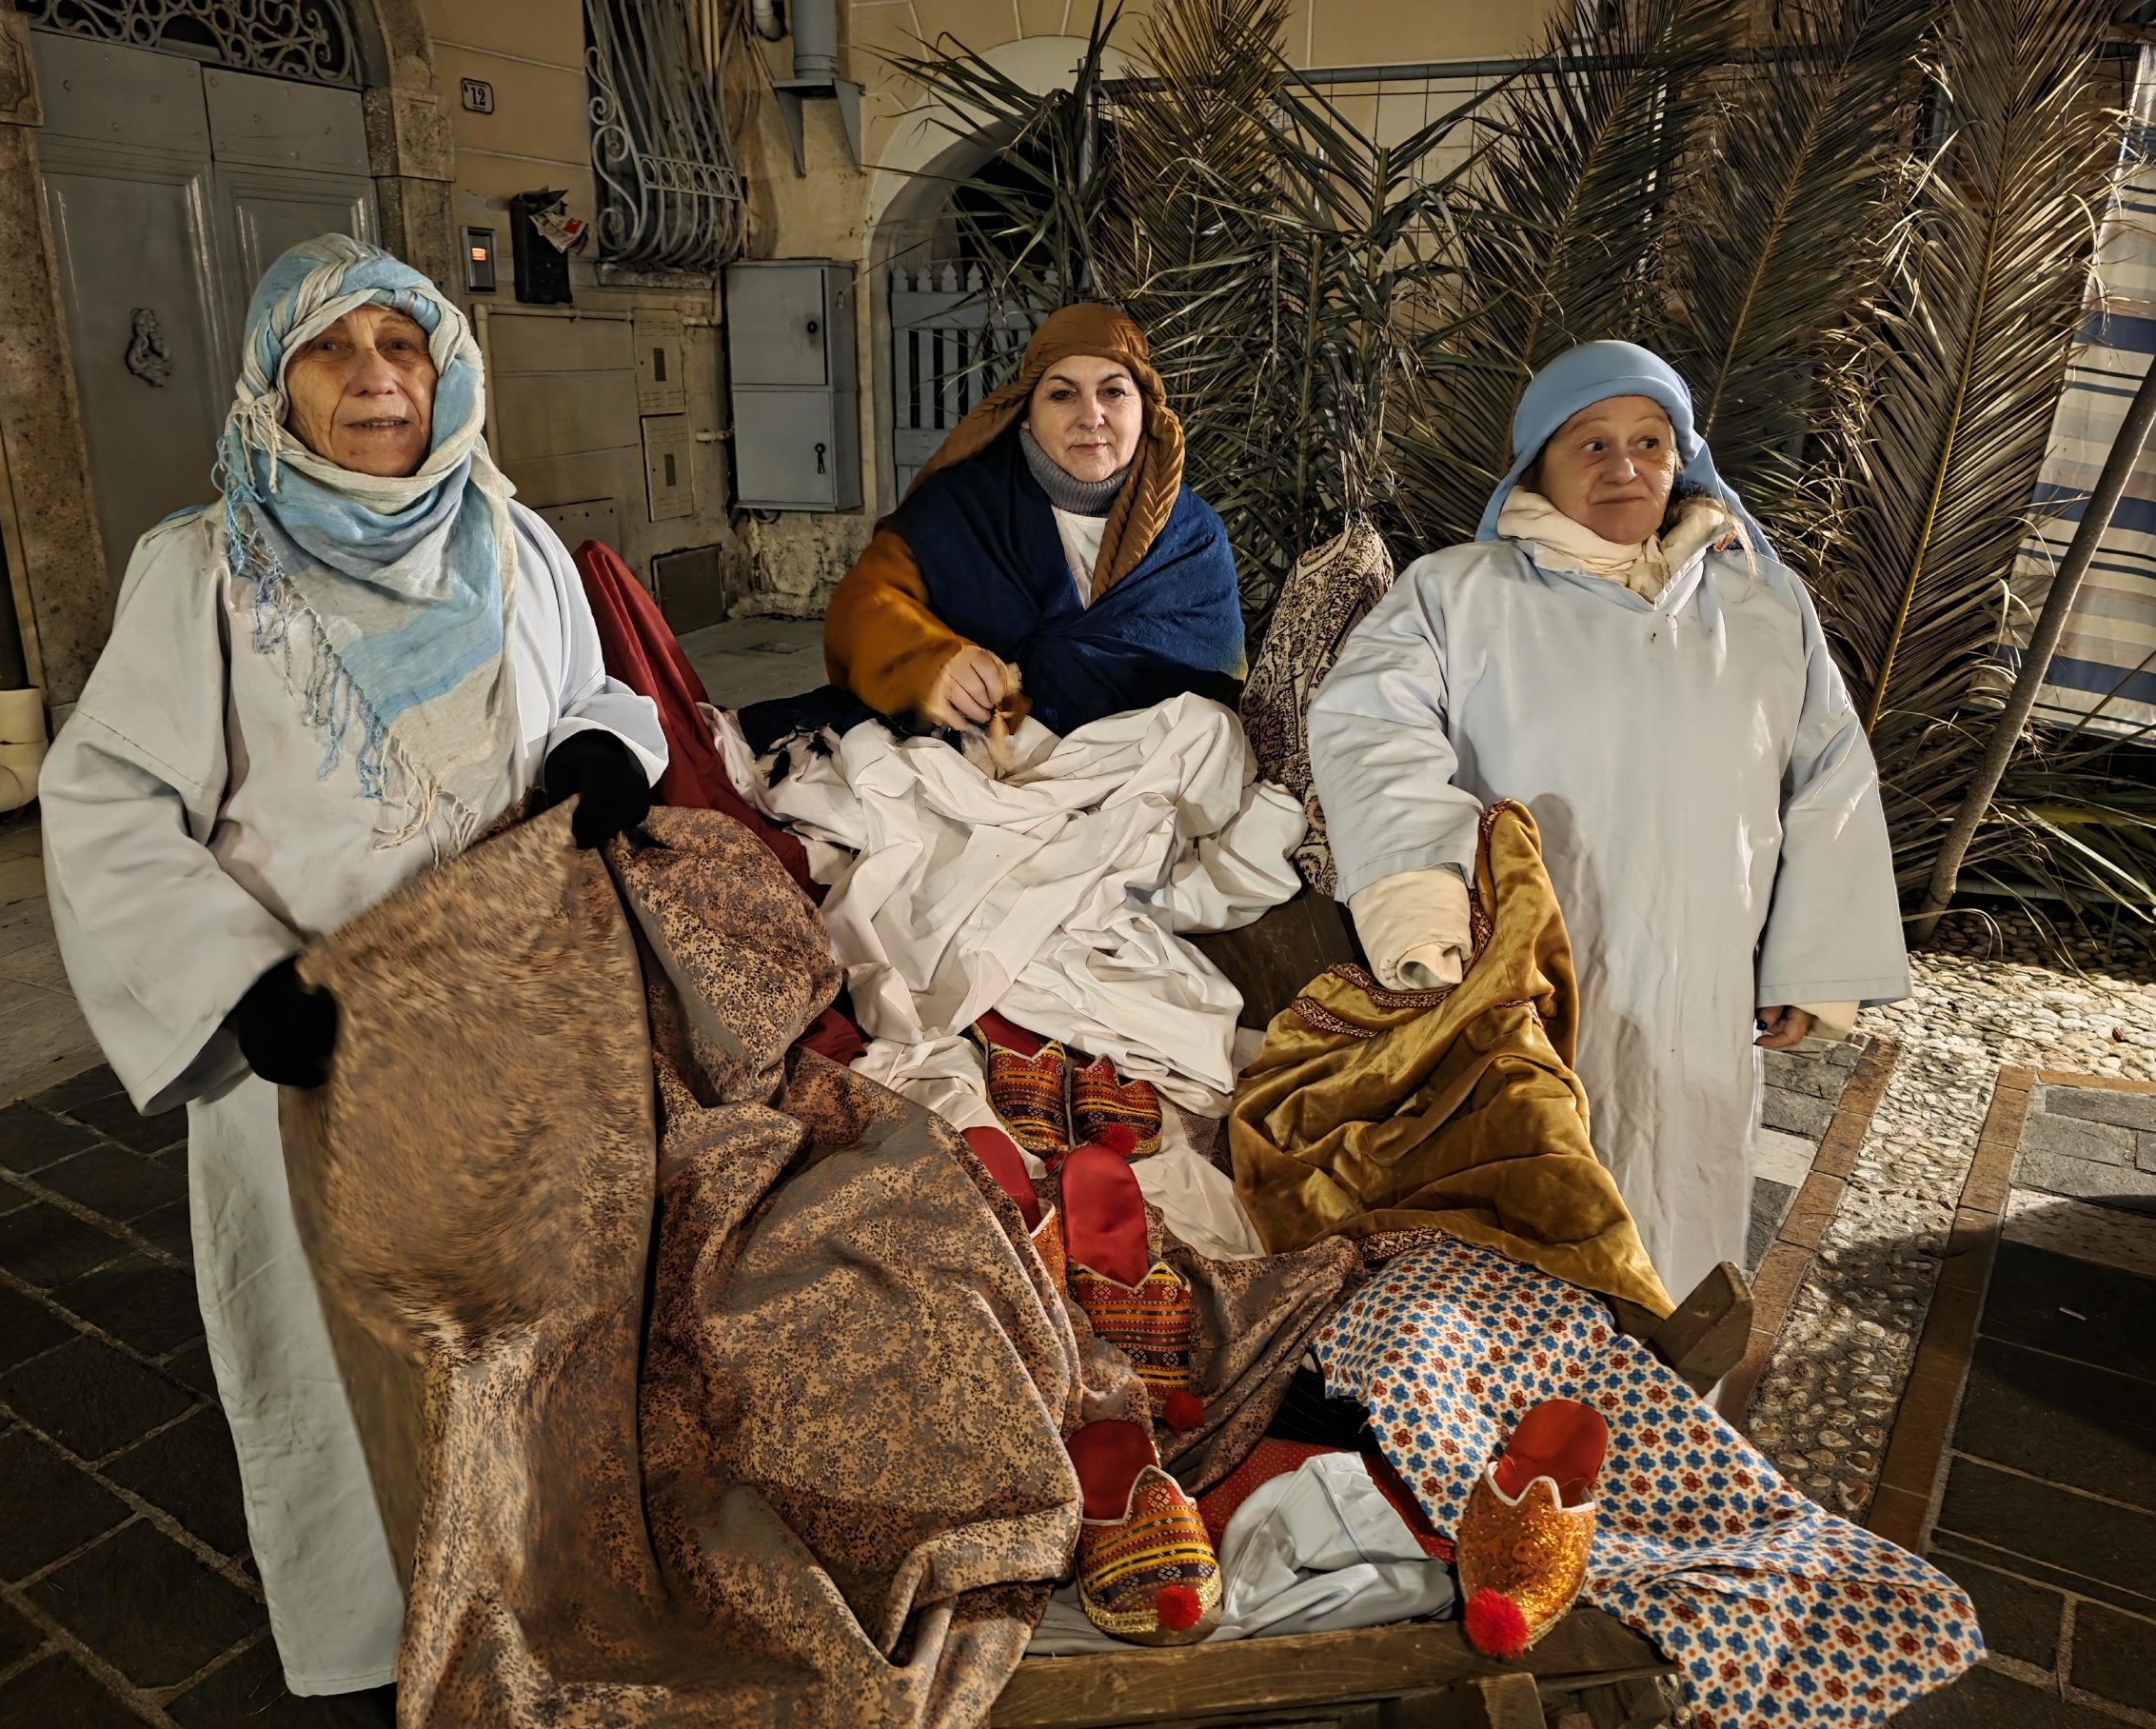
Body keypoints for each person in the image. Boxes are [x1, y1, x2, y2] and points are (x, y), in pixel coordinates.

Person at [41, 234, 667, 1695]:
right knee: (346, 1357)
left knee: (535, 1323)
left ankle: (543, 1592)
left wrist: (604, 745)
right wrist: (237, 980)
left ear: (448, 372)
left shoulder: (511, 538)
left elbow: (594, 690)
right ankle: (379, 1641)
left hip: (517, 1020)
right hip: (317, 1044)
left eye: (403, 346)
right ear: (276, 387)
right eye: (330, 350)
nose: (376, 378)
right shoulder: (203, 570)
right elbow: (108, 802)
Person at [1307, 340, 1908, 1295]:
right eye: (1591, 443)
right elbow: (1369, 727)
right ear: (1536, 463)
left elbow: (1828, 777)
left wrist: (1810, 962)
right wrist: (1421, 898)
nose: (1625, 466)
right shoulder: (1459, 595)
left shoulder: (1760, 604)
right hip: (1537, 973)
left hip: (1701, 982)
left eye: (1650, 441)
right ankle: (1532, 1392)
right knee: (1524, 1201)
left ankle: (1668, 1378)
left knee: (1682, 1208)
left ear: (1682, 459)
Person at [815, 302, 1247, 739]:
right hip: (976, 753)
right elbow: (862, 606)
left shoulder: (1193, 536)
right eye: (1062, 394)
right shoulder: (960, 505)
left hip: (1145, 757)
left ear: (1146, 411)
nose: (1091, 417)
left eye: (1114, 392)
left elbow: (1216, 680)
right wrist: (930, 662)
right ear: (1026, 414)